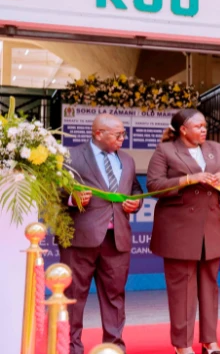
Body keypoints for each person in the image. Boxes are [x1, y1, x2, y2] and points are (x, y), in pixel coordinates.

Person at [147, 109, 220, 354]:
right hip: (179, 230)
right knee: (182, 290)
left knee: (210, 286)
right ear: (183, 130)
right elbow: (153, 185)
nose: (204, 129)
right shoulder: (165, 151)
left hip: (211, 226)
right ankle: (183, 345)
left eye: (205, 125)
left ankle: (210, 342)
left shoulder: (216, 148)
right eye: (198, 126)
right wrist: (189, 179)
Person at [60, 114, 142, 354]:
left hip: (117, 239)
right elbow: (53, 191)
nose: (122, 138)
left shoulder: (126, 160)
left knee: (115, 298)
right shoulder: (71, 156)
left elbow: (134, 190)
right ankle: (71, 347)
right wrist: (71, 199)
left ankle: (113, 347)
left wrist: (134, 204)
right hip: (80, 239)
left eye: (123, 134)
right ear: (98, 134)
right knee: (74, 297)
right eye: (118, 134)